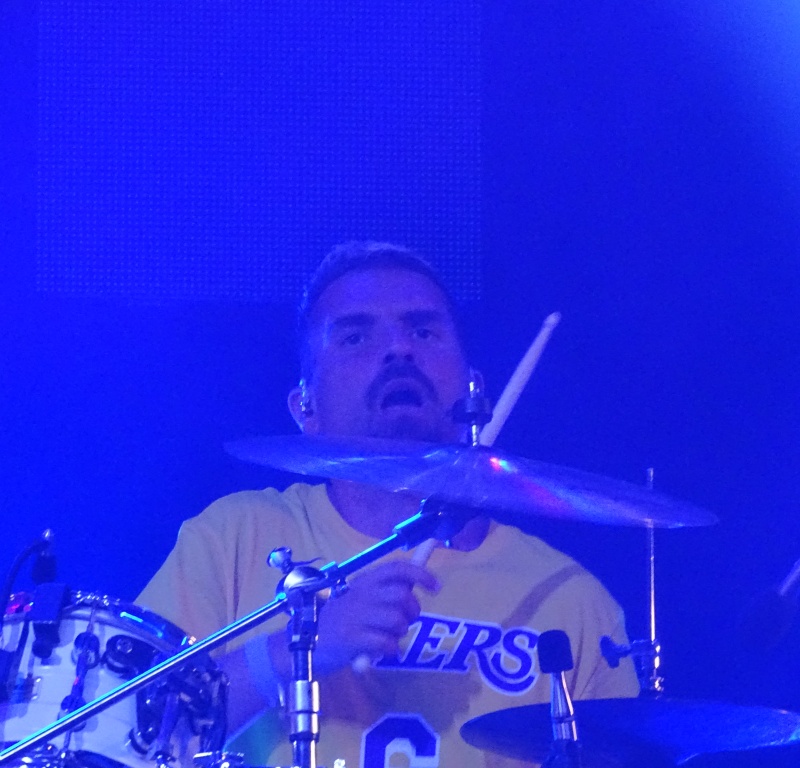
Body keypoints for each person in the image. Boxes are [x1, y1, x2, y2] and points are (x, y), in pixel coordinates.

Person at [137, 241, 639, 768]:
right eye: (356, 336)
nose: (399, 348)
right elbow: (127, 729)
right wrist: (297, 649)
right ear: (305, 407)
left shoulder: (567, 597)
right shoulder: (234, 539)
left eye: (423, 331)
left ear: (473, 388)